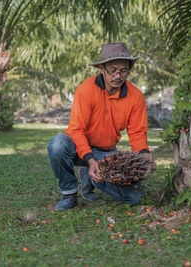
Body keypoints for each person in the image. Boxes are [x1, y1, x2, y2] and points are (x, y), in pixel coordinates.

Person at [47, 43, 154, 211]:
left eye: (123, 71)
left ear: (129, 70)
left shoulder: (135, 96)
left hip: (106, 153)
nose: (118, 75)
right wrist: (90, 161)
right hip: (78, 148)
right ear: (102, 69)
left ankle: (90, 178)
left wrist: (144, 153)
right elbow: (76, 129)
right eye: (112, 70)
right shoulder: (86, 89)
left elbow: (137, 132)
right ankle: (69, 194)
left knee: (134, 197)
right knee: (57, 145)